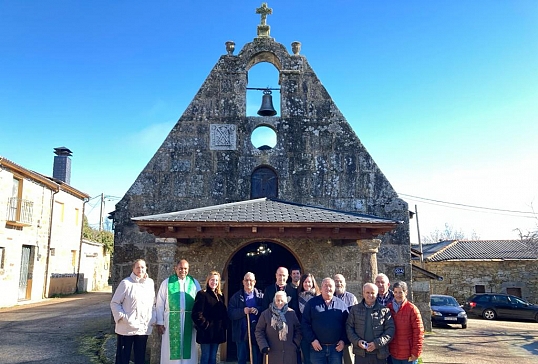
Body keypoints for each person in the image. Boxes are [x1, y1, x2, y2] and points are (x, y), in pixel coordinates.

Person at [110, 259, 156, 364]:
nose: (140, 269)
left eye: (142, 267)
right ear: (133, 269)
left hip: (142, 327)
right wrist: (124, 318)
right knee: (123, 357)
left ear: (146, 268)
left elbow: (153, 303)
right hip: (126, 328)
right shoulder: (126, 283)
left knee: (140, 357)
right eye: (138, 267)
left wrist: (152, 318)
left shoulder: (150, 283)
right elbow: (115, 303)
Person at [156, 259, 201, 364]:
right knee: (171, 349)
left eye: (185, 268)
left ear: (188, 269)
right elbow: (159, 303)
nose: (183, 271)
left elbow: (200, 302)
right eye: (180, 268)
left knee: (189, 348)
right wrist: (160, 322)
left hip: (189, 320)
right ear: (175, 268)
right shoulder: (167, 282)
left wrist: (198, 321)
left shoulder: (194, 283)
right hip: (171, 320)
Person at [302, 277, 348, 364]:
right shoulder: (312, 304)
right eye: (325, 286)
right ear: (321, 287)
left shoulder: (341, 305)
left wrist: (343, 340)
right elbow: (305, 323)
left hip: (336, 349)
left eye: (330, 286)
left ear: (334, 288)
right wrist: (312, 340)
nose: (328, 288)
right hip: (317, 348)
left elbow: (347, 325)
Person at [346, 283, 394, 364]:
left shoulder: (384, 310)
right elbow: (349, 328)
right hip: (361, 354)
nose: (370, 295)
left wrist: (376, 344)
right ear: (363, 293)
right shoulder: (354, 309)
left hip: (379, 354)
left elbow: (390, 330)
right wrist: (357, 342)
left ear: (377, 294)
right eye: (367, 292)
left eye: (373, 293)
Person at [192, 271, 228, 364]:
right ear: (208, 281)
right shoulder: (202, 294)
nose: (214, 282)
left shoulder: (220, 296)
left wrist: (223, 326)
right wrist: (206, 326)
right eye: (212, 280)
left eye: (216, 280)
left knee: (213, 358)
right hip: (206, 333)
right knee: (205, 357)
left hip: (217, 332)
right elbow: (196, 314)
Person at [255, 291, 302, 364]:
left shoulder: (291, 313)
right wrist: (263, 345)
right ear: (274, 300)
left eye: (282, 300)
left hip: (289, 353)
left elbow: (298, 329)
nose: (279, 303)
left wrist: (295, 343)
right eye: (277, 300)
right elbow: (259, 331)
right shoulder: (266, 314)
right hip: (272, 353)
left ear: (286, 302)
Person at [228, 272, 264, 364]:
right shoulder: (236, 297)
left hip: (256, 332)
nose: (249, 282)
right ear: (243, 282)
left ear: (255, 282)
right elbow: (230, 313)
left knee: (257, 359)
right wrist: (242, 311)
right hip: (241, 332)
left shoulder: (260, 295)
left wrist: (258, 310)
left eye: (251, 280)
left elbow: (266, 309)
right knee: (241, 359)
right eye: (246, 280)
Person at [386, 282, 424, 364]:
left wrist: (416, 352)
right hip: (393, 353)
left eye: (400, 292)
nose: (398, 295)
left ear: (406, 293)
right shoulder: (388, 308)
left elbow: (419, 332)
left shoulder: (412, 309)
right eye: (395, 292)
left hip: (408, 354)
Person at [334, 274, 358, 364]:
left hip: (348, 337)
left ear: (345, 283)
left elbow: (356, 318)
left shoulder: (351, 298)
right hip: (333, 338)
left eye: (340, 281)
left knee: (349, 361)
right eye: (336, 281)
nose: (338, 283)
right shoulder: (328, 298)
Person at [297, 273, 320, 364]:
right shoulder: (298, 296)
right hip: (304, 334)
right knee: (307, 360)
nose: (307, 284)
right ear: (302, 283)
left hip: (317, 334)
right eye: (305, 282)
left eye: (309, 282)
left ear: (313, 283)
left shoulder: (318, 297)